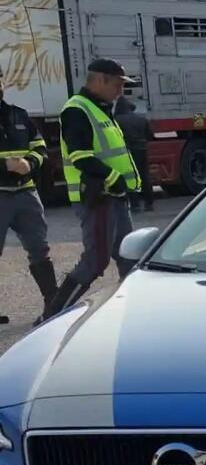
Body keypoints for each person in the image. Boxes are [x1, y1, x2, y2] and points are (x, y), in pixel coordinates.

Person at [42, 58, 142, 320]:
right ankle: (53, 316)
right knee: (96, 261)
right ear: (99, 79)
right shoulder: (77, 109)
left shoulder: (100, 108)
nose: (121, 90)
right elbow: (80, 156)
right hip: (98, 198)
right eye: (118, 84)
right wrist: (112, 177)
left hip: (115, 196)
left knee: (129, 255)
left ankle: (137, 312)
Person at [0, 70, 57, 322]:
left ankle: (53, 305)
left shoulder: (18, 114)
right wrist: (6, 167)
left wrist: (30, 164)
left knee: (39, 249)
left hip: (26, 194)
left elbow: (40, 146)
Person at [113, 96, 155, 213]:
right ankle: (149, 203)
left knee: (131, 177)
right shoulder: (141, 119)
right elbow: (150, 135)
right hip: (142, 150)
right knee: (144, 175)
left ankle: (135, 204)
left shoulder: (116, 120)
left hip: (128, 152)